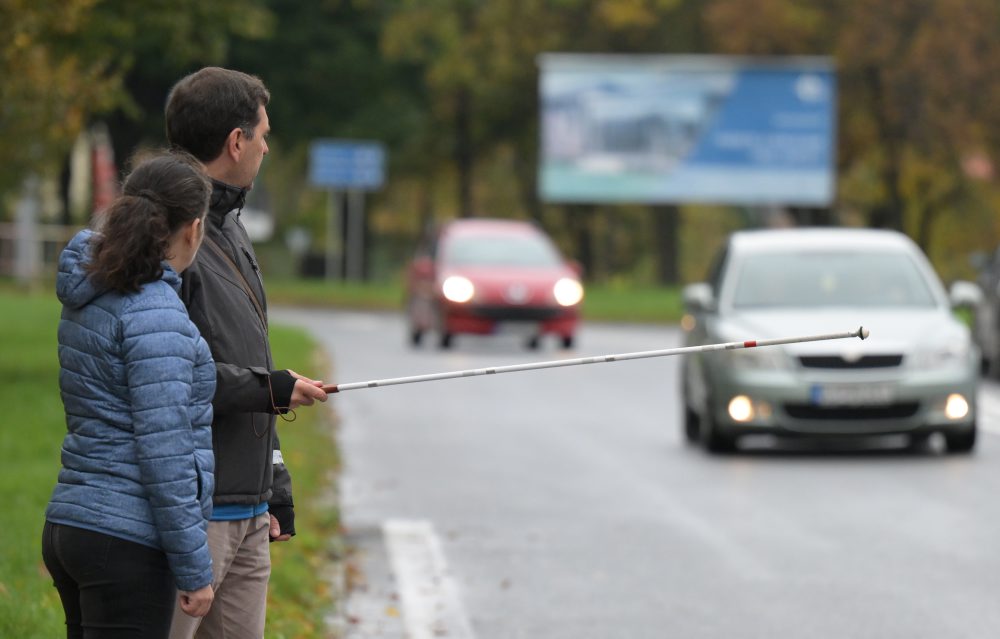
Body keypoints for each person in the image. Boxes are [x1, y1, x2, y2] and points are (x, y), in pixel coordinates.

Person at [163, 67, 329, 639]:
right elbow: (172, 375)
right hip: (193, 514)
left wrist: (275, 488)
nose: (266, 146)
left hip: (249, 511)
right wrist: (274, 387)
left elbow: (253, 359)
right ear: (236, 142)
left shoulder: (232, 228)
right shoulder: (171, 236)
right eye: (262, 135)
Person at [42, 151, 216, 639]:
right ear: (193, 228)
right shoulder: (156, 312)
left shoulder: (95, 290)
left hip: (72, 523)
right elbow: (165, 451)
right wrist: (194, 568)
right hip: (126, 538)